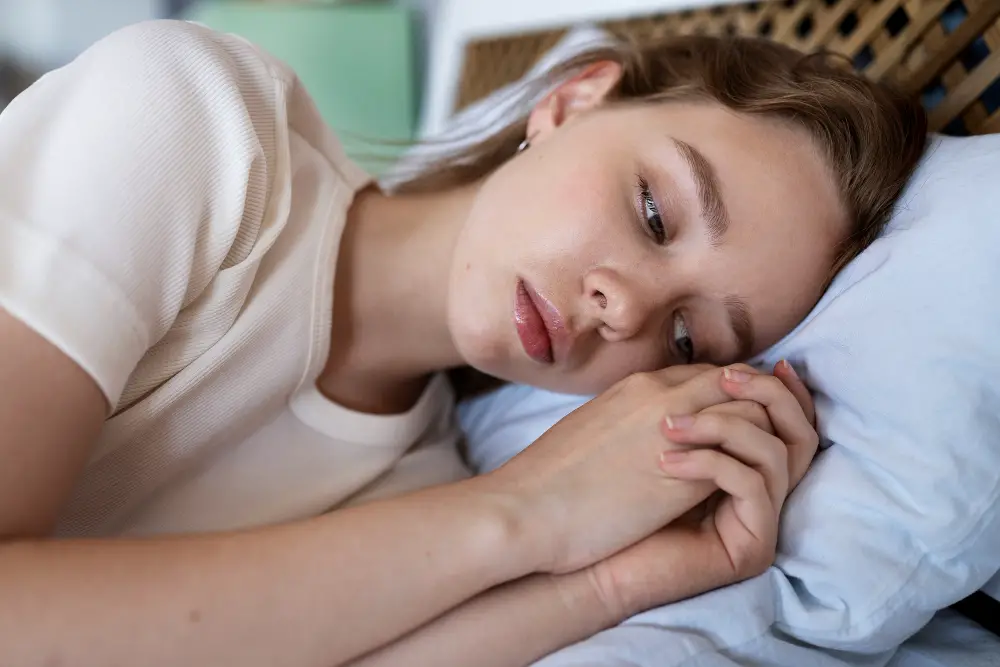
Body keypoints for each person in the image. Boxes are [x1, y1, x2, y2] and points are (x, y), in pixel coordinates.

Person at [0, 19, 926, 667]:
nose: (623, 308)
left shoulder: (422, 485)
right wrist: (522, 509)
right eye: (653, 212)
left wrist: (616, 584)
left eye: (686, 336)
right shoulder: (194, 123)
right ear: (573, 103)